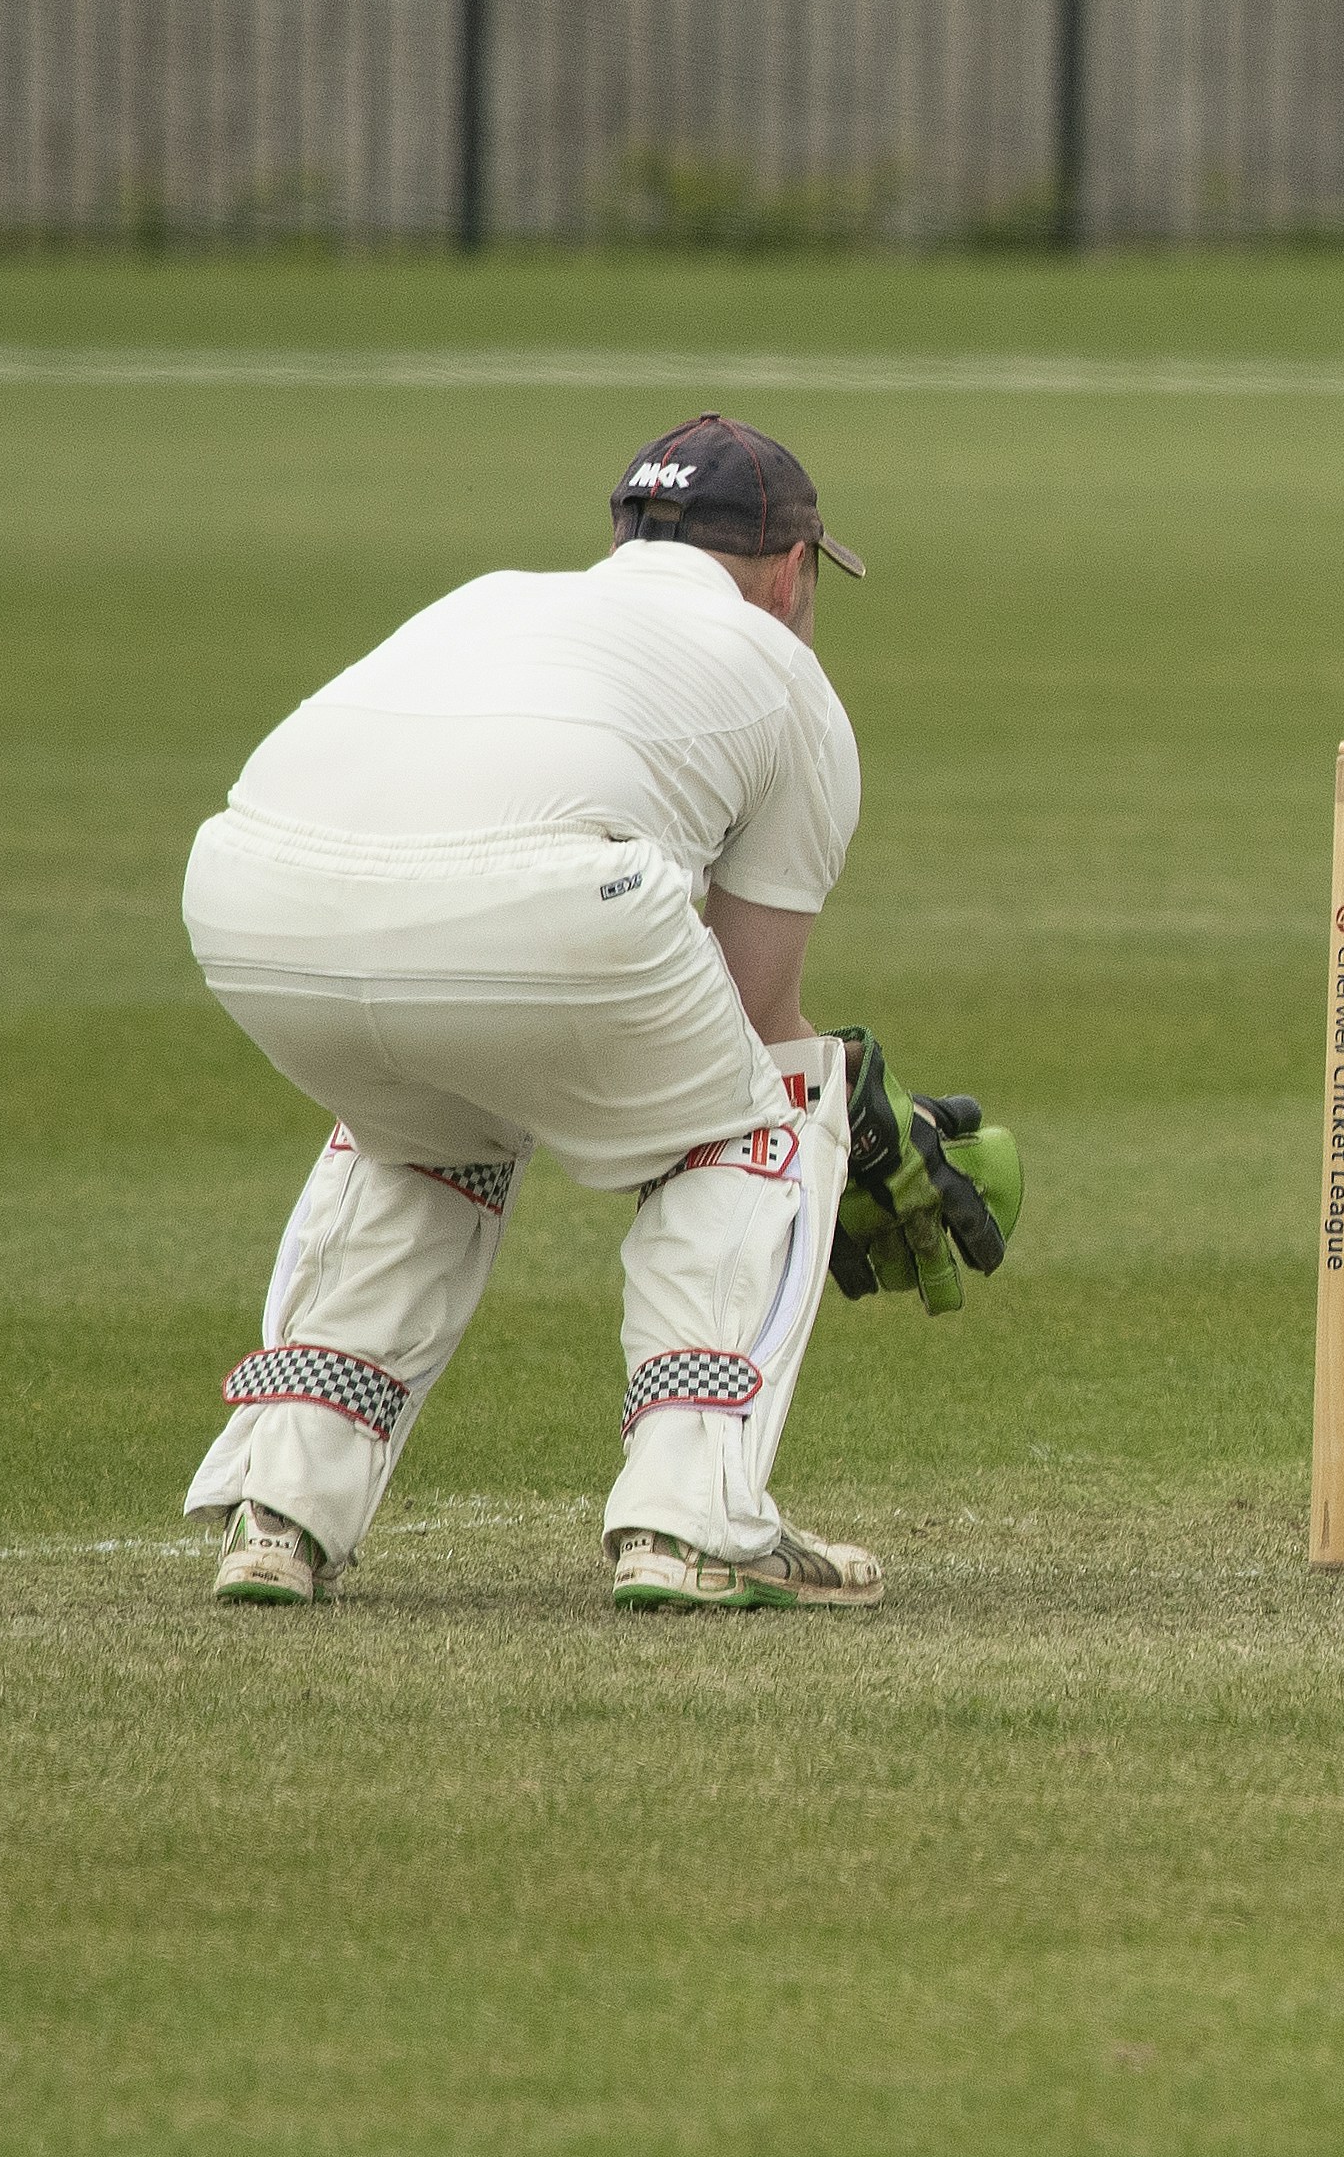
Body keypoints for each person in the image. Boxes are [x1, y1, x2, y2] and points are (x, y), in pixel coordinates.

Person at [174, 414, 998, 1613]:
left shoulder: (497, 596)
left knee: (423, 1121)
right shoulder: (785, 672)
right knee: (767, 1109)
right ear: (794, 569)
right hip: (541, 900)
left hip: (244, 892)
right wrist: (869, 1136)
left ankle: (281, 1504)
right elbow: (751, 1017)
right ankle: (689, 1514)